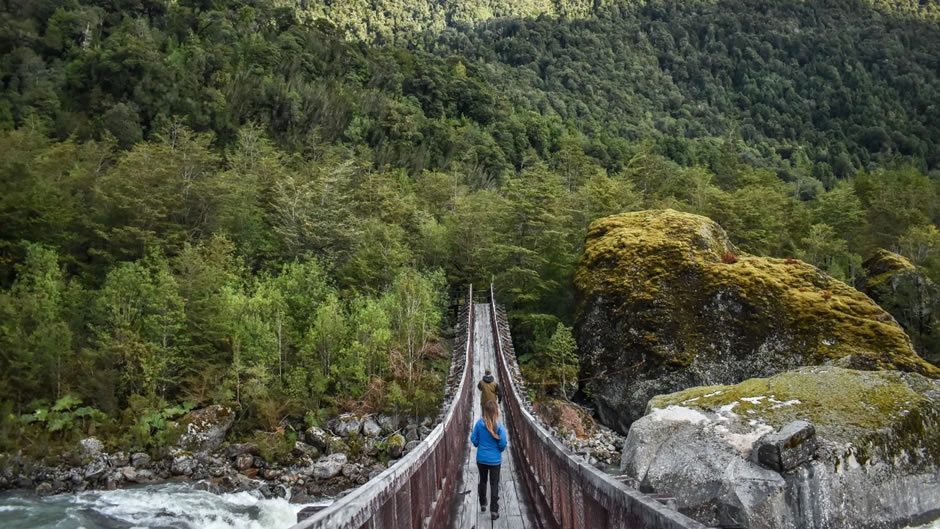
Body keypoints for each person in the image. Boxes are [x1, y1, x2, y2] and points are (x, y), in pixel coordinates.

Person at [471, 399, 507, 520]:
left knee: (483, 481)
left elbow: (473, 438)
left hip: (481, 459)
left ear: (484, 411)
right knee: (494, 484)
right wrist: (498, 451)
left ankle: (482, 503)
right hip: (495, 460)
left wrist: (478, 444)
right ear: (496, 411)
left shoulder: (479, 424)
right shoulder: (499, 426)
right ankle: (494, 511)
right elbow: (503, 443)